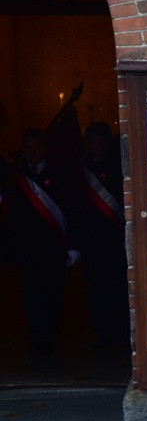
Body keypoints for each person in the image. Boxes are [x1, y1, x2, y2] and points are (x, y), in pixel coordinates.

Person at [1, 129, 77, 355]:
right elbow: (9, 215)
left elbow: (72, 210)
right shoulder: (15, 176)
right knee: (32, 297)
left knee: (54, 296)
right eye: (28, 148)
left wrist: (73, 246)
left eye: (36, 147)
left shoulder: (60, 173)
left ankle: (51, 337)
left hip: (54, 248)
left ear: (44, 149)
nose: (32, 152)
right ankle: (38, 341)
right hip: (27, 250)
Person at [74, 122, 129, 351]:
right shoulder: (81, 169)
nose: (97, 146)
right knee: (96, 294)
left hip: (114, 243)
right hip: (91, 245)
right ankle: (103, 336)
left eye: (101, 141)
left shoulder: (118, 168)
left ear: (107, 143)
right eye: (93, 141)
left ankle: (122, 337)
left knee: (119, 291)